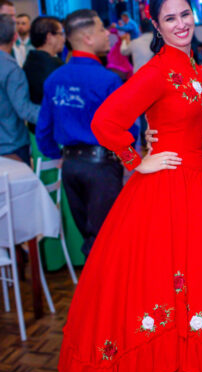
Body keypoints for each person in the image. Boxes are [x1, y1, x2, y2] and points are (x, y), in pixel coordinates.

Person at [57, 0, 202, 372]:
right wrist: (137, 160)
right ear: (157, 27)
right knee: (162, 284)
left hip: (199, 188)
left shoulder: (200, 71)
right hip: (166, 189)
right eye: (170, 18)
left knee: (198, 286)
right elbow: (104, 121)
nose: (180, 24)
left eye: (185, 15)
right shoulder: (157, 71)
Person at [35, 10, 124, 259]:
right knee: (107, 241)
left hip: (71, 167)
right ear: (87, 38)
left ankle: (93, 283)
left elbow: (43, 130)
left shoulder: (54, 79)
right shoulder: (107, 80)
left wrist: (58, 155)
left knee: (90, 241)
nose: (107, 34)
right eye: (101, 29)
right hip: (102, 169)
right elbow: (126, 128)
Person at [0, 14, 39, 164]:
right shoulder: (11, 69)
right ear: (15, 37)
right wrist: (56, 113)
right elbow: (25, 110)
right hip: (11, 145)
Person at [23, 16, 65, 129]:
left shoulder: (30, 60)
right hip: (53, 129)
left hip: (35, 127)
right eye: (61, 34)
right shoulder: (55, 67)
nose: (63, 39)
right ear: (49, 37)